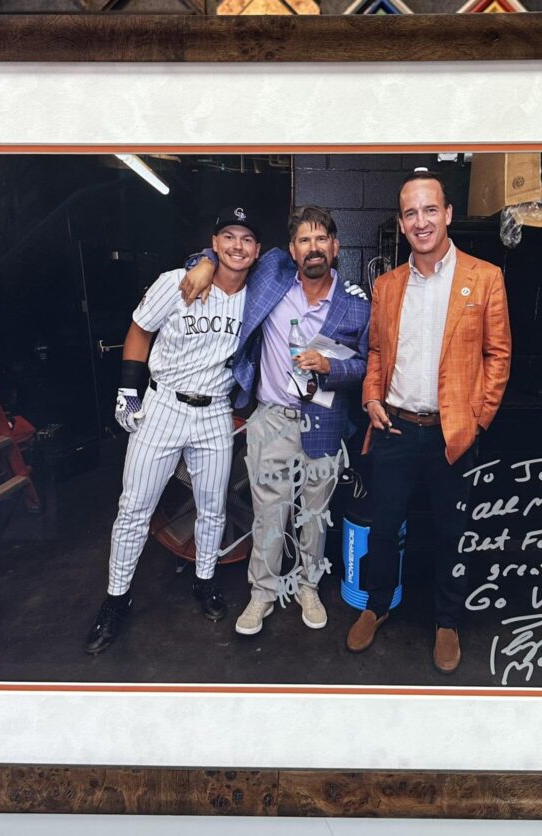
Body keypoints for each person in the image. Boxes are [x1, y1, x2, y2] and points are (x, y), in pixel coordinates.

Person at [345, 170, 512, 674]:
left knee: (449, 533)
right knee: (383, 526)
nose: (421, 221)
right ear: (402, 222)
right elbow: (375, 352)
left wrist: (477, 420)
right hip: (394, 428)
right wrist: (372, 396)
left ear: (448, 215)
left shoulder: (484, 278)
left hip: (451, 435)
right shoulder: (388, 286)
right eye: (411, 213)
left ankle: (446, 621)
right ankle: (376, 606)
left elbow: (497, 356)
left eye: (430, 210)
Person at [181, 205, 370, 636]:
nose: (314, 247)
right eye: (305, 240)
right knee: (269, 514)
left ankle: (308, 586)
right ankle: (262, 594)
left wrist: (330, 366)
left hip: (324, 417)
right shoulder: (272, 274)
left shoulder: (356, 304)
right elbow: (227, 256)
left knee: (316, 513)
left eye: (322, 239)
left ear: (336, 247)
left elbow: (364, 365)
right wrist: (203, 262)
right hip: (271, 418)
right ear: (291, 249)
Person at [84, 207, 260, 655]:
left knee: (212, 509)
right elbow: (140, 329)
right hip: (163, 404)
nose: (237, 246)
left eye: (247, 239)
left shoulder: (256, 295)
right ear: (214, 242)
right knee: (134, 508)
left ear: (257, 250)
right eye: (228, 237)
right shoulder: (176, 282)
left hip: (215, 412)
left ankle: (205, 582)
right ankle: (116, 600)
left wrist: (203, 260)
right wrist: (127, 390)